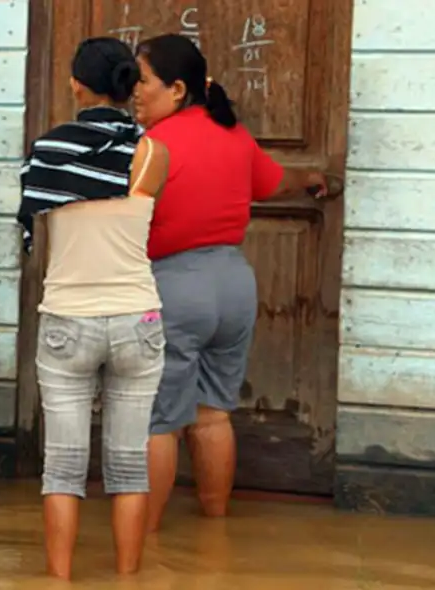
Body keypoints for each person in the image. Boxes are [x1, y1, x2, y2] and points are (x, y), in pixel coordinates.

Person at [131, 34, 331, 532]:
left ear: (177, 89)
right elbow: (273, 181)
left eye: (143, 81)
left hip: (176, 285)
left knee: (160, 421)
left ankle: (146, 541)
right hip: (235, 286)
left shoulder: (154, 146)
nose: (134, 91)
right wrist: (311, 180)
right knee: (213, 414)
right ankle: (215, 530)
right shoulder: (233, 133)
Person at [17, 38, 169, 580]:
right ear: (130, 85)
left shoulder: (47, 151)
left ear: (76, 84)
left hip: (67, 320)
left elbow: (36, 219)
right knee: (129, 467)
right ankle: (128, 577)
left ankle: (59, 578)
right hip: (138, 319)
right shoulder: (152, 152)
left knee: (61, 468)